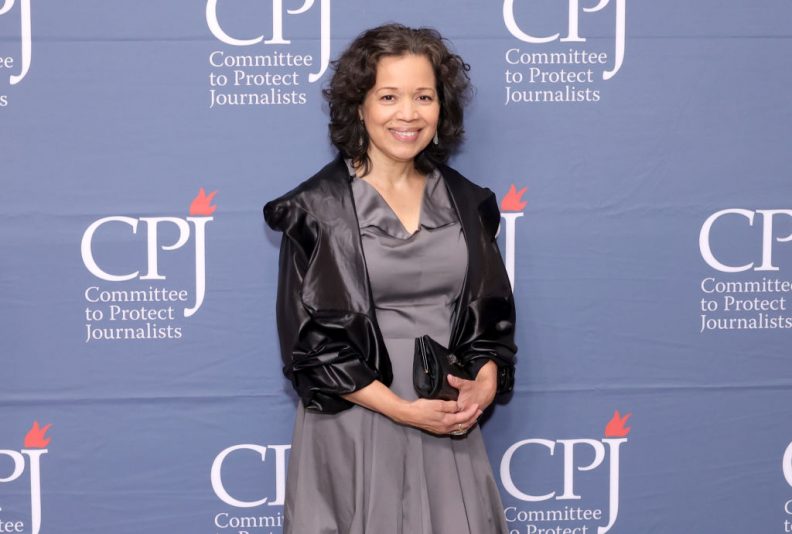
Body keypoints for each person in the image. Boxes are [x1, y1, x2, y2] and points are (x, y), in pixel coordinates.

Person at [263, 23, 517, 534]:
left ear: (441, 108)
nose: (408, 113)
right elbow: (308, 346)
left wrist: (485, 381)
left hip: (446, 420)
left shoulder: (470, 203)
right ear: (359, 106)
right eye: (389, 96)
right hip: (355, 418)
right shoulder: (316, 210)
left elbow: (490, 317)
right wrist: (401, 410)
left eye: (423, 96)